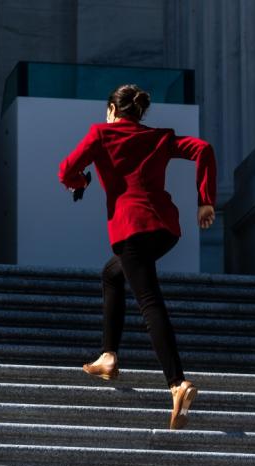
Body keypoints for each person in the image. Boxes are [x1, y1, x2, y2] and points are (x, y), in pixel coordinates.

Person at [57, 83, 217, 430]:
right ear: (140, 113)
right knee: (112, 275)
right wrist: (205, 200)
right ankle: (108, 356)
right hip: (165, 229)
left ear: (112, 111)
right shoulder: (159, 136)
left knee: (149, 301)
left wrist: (81, 183)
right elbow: (203, 148)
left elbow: (66, 170)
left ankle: (177, 383)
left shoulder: (102, 134)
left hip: (131, 228)